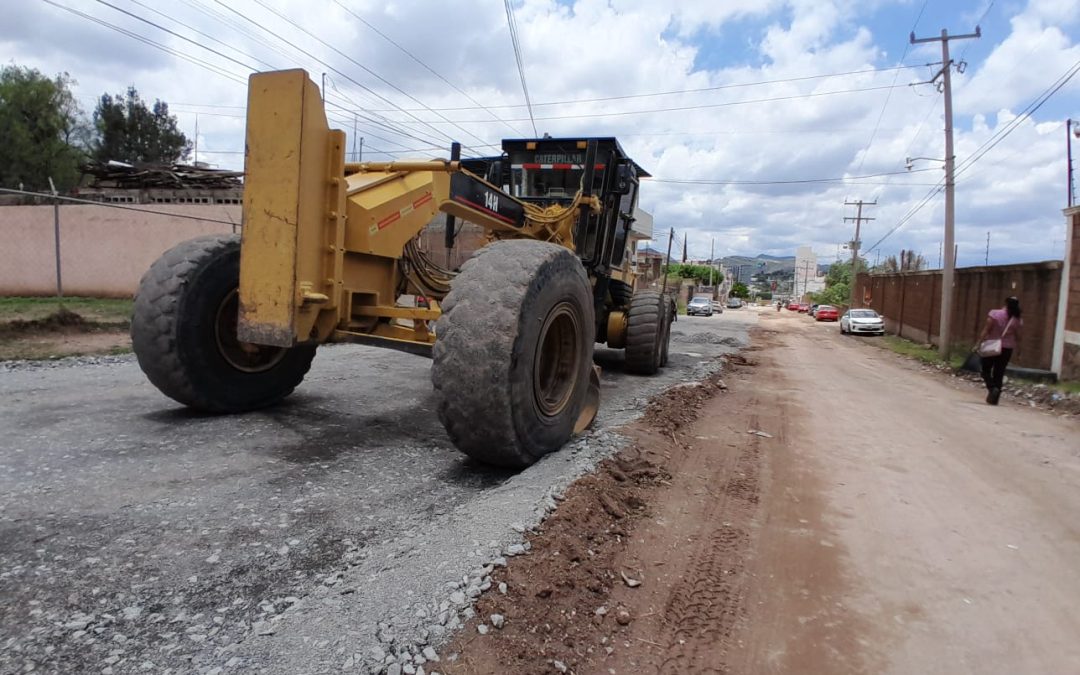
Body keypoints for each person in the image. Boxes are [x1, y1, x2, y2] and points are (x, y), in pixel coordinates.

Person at [976, 296, 1022, 405]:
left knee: (985, 370)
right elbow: (1018, 337)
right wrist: (1019, 351)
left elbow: (986, 330)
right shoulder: (1017, 319)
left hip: (992, 346)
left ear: (1005, 303)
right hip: (1007, 349)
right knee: (999, 372)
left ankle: (992, 389)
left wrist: (978, 343)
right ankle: (995, 399)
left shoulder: (995, 314)